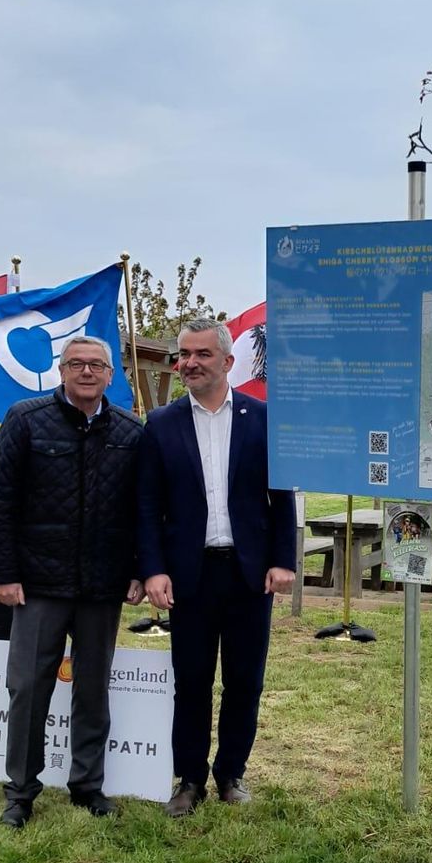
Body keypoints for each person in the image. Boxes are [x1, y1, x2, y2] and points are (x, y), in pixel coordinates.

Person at [0, 334, 144, 828]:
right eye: (77, 364)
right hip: (38, 585)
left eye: (97, 365)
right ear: (62, 370)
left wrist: (137, 569)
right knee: (29, 687)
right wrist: (4, 574)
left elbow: (141, 511)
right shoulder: (25, 420)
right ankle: (21, 792)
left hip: (101, 587)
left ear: (111, 375)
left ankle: (87, 786)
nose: (88, 372)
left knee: (92, 689)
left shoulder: (130, 431)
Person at [137, 317, 296, 814]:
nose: (190, 363)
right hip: (189, 576)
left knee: (245, 680)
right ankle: (189, 779)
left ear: (227, 362)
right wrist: (153, 569)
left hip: (249, 574)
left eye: (202, 354)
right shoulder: (161, 425)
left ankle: (232, 774)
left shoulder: (263, 418)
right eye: (184, 354)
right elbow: (146, 505)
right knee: (192, 681)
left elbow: (281, 496)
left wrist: (284, 560)